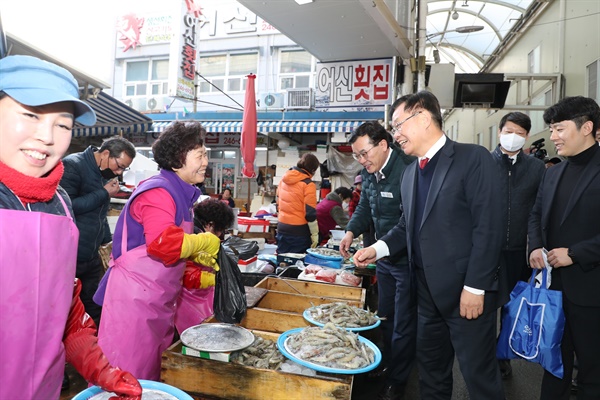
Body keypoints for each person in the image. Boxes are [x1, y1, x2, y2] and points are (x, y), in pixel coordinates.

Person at [0, 55, 141, 399]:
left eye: (63, 125)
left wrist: (99, 367)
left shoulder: (59, 200)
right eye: (30, 115)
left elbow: (64, 308)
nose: (46, 136)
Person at [353, 91, 505, 400]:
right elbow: (406, 228)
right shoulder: (410, 174)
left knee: (479, 378)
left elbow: (489, 228)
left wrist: (476, 287)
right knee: (432, 374)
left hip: (466, 293)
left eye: (398, 125)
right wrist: (377, 249)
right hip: (425, 295)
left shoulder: (472, 158)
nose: (395, 135)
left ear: (423, 118)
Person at [95, 121, 221, 380]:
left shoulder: (182, 193)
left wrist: (194, 263)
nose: (206, 161)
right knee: (125, 373)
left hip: (157, 299)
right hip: (133, 301)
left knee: (150, 372)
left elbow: (172, 248)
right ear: (177, 160)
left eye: (205, 154)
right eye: (200, 154)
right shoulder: (159, 191)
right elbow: (163, 243)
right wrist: (202, 242)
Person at [528, 96, 600, 400]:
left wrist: (575, 253)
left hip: (591, 288)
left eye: (559, 129)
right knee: (553, 363)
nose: (553, 137)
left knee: (592, 369)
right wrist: (535, 247)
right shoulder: (553, 172)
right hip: (553, 289)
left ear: (587, 127)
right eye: (552, 130)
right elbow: (535, 214)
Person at [339, 118, 416, 400]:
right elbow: (365, 207)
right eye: (357, 155)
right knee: (385, 318)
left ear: (383, 145)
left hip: (407, 261)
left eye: (364, 153)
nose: (361, 160)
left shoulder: (408, 169)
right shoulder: (370, 172)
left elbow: (409, 223)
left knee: (404, 323)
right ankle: (387, 364)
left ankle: (399, 380)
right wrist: (349, 232)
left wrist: (378, 248)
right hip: (384, 261)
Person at [491, 111, 545, 378]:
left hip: (519, 252)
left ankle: (504, 355)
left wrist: (536, 245)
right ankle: (483, 356)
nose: (513, 137)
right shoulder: (484, 164)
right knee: (485, 303)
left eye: (520, 134)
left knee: (512, 307)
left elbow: (540, 209)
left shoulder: (536, 168)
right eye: (509, 131)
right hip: (488, 250)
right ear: (499, 131)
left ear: (526, 137)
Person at [60, 135, 136, 325]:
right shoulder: (73, 165)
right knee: (66, 312)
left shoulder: (105, 173)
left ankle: (95, 350)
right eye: (119, 166)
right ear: (106, 153)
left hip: (92, 255)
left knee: (94, 307)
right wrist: (103, 193)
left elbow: (99, 214)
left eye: (124, 169)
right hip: (71, 255)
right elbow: (67, 206)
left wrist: (107, 242)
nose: (119, 172)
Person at [175, 198, 235, 334]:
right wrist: (211, 279)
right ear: (209, 224)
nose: (220, 235)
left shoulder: (194, 228)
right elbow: (185, 274)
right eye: (219, 230)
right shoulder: (196, 236)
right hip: (183, 298)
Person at [276, 153, 320, 254]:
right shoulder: (308, 184)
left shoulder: (283, 180)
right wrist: (315, 234)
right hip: (299, 231)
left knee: (282, 260)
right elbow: (310, 213)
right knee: (297, 265)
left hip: (282, 227)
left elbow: (278, 203)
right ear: (313, 170)